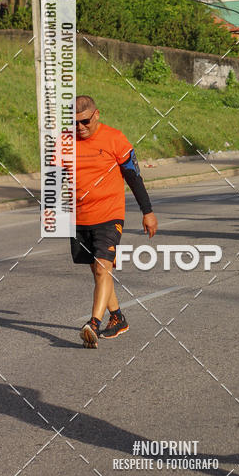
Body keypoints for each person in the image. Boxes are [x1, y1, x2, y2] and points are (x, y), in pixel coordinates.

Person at [65, 96, 158, 348]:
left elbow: (134, 176)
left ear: (96, 115)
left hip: (109, 214)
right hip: (80, 218)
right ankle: (117, 318)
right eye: (74, 123)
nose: (80, 127)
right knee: (99, 271)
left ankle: (93, 323)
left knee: (101, 267)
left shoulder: (115, 139)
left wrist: (147, 211)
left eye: (84, 121)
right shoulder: (65, 141)